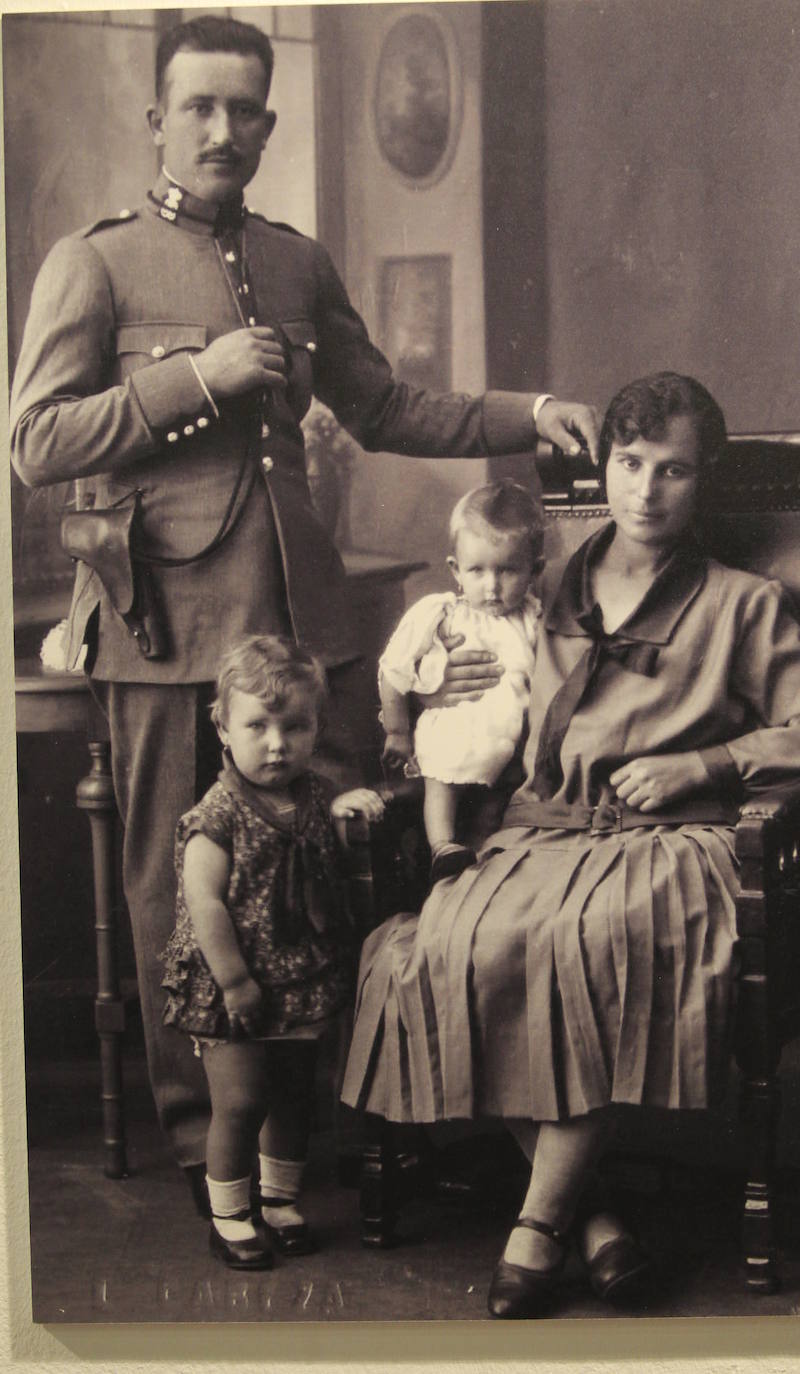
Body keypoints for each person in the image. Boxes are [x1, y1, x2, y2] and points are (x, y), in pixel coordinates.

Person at [8, 13, 599, 1208]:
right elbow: (33, 441)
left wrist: (526, 413)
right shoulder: (96, 262)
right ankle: (207, 1155)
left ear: (268, 125)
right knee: (183, 894)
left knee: (329, 885)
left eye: (246, 111)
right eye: (201, 107)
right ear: (158, 119)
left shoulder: (292, 261)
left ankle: (310, 1136)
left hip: (301, 632)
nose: (224, 130)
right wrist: (193, 379)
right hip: (169, 633)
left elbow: (386, 408)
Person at [340, 371, 800, 1318]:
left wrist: (705, 763)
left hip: (670, 845)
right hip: (540, 832)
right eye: (630, 464)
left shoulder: (744, 604)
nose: (646, 490)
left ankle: (536, 1227)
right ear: (606, 465)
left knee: (595, 945)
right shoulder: (539, 590)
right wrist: (427, 693)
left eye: (674, 471)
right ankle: (601, 1216)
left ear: (701, 483)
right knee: (448, 950)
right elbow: (458, 694)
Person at [161, 635, 383, 1270]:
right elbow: (205, 905)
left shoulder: (311, 794)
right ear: (224, 730)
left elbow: (318, 836)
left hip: (298, 973)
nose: (277, 743)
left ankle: (280, 1200)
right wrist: (234, 983)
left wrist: (345, 808)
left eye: (295, 726)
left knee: (292, 1095)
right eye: (257, 725)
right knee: (240, 1101)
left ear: (315, 728)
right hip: (233, 976)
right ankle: (229, 1216)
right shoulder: (217, 815)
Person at [379, 481, 544, 883]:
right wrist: (397, 732)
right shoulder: (441, 614)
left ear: (534, 570)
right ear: (455, 570)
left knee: (493, 807)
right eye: (477, 570)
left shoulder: (534, 618)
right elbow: (393, 668)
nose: (491, 586)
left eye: (507, 570)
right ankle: (442, 848)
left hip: (506, 748)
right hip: (451, 731)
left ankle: (480, 860)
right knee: (442, 788)